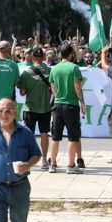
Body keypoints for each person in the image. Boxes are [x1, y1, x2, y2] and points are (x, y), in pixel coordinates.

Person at [48, 44, 84, 174]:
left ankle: (52, 164)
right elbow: (78, 87)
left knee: (55, 136)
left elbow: (53, 88)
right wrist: (82, 102)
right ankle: (70, 165)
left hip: (57, 104)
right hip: (71, 104)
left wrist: (59, 97)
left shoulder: (54, 69)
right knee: (73, 137)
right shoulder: (74, 67)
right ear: (70, 54)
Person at [18, 48, 52, 170]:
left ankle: (28, 159)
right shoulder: (50, 71)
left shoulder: (27, 73)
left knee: (28, 134)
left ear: (32, 57)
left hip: (30, 107)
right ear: (43, 57)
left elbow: (22, 93)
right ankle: (44, 159)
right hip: (45, 107)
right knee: (44, 133)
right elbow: (53, 89)